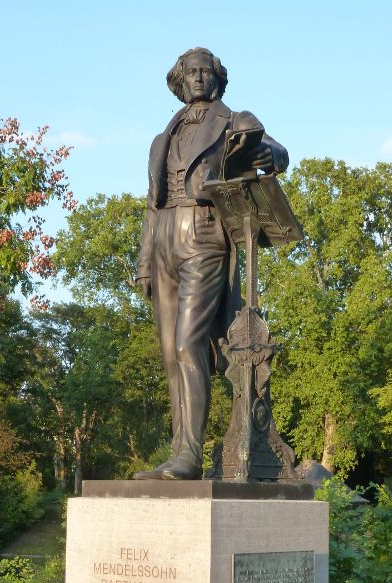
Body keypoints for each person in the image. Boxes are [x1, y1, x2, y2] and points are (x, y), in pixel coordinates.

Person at [134, 47, 288, 480]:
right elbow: (151, 203)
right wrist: (145, 260)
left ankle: (189, 456)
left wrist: (268, 158)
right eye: (191, 72)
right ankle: (177, 451)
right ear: (179, 80)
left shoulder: (233, 120)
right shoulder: (161, 138)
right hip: (164, 235)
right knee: (169, 353)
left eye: (206, 72)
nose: (199, 78)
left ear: (217, 79)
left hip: (204, 234)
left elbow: (276, 152)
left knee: (188, 343)